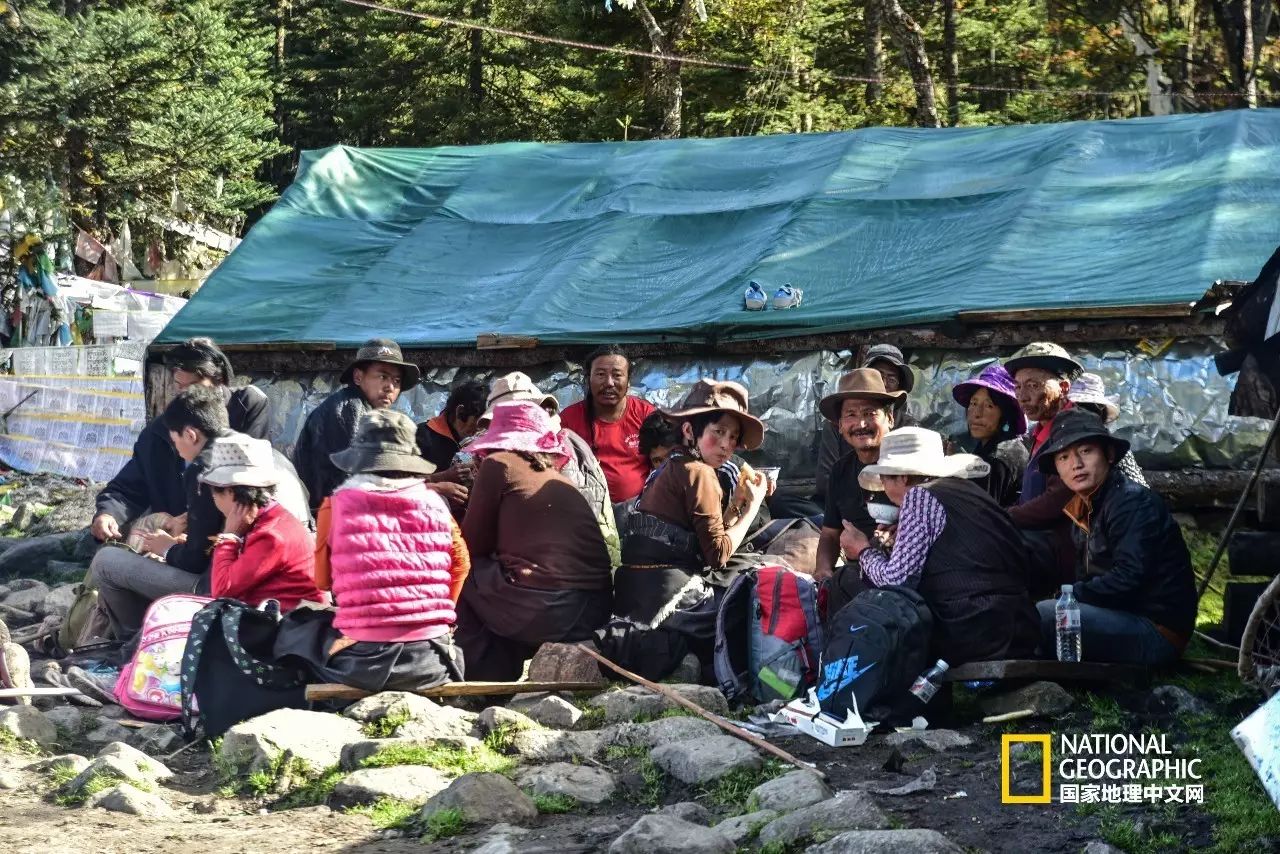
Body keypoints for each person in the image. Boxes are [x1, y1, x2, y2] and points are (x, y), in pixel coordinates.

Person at [606, 380, 768, 678]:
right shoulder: (700, 473)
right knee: (756, 586)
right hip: (666, 601)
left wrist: (737, 506)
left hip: (635, 596)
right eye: (718, 432)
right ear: (689, 430)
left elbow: (709, 539)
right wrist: (754, 507)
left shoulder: (672, 466)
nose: (726, 445)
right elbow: (717, 555)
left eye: (733, 437)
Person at [839, 428, 1040, 664]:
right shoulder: (967, 490)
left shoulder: (919, 497)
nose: (883, 487)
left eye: (884, 478)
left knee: (845, 582)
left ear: (902, 477)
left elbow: (897, 582)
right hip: (1019, 624)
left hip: (972, 630)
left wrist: (863, 550)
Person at [307, 409, 468, 690]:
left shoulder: (335, 507)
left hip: (361, 663)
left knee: (301, 632)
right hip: (433, 661)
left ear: (357, 461)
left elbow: (323, 581)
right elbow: (461, 564)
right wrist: (437, 612)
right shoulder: (436, 504)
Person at [455, 401, 612, 681]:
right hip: (593, 611)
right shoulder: (560, 479)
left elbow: (471, 546)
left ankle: (482, 674)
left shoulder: (498, 463)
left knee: (462, 569)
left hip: (549, 612)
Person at [1032, 410, 1196, 665]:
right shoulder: (1081, 508)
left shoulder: (1131, 502)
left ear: (1108, 455)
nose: (1075, 464)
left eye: (1085, 451)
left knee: (1047, 615)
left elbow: (1129, 577)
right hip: (1119, 617)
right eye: (1064, 457)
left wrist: (1072, 595)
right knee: (1032, 612)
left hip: (1155, 630)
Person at [91, 337, 271, 544]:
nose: (185, 394)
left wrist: (193, 529)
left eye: (194, 386)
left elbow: (245, 483)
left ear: (218, 380)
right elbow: (129, 485)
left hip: (230, 537)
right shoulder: (160, 431)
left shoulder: (247, 406)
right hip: (178, 538)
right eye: (179, 386)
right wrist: (107, 514)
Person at [88, 386, 230, 641]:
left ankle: (138, 645)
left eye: (176, 442)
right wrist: (107, 513)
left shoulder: (204, 470)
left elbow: (197, 560)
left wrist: (167, 548)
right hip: (249, 581)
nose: (175, 450)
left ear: (190, 434)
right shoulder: (245, 453)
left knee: (105, 562)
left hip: (219, 587)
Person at [480, 372, 620, 569]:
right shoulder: (572, 442)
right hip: (597, 571)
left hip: (556, 575)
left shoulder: (510, 462)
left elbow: (478, 542)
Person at [814, 369, 904, 614]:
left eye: (869, 413)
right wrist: (823, 571)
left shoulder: (909, 466)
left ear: (890, 418)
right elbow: (830, 534)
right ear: (840, 425)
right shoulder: (840, 471)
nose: (861, 424)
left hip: (907, 580)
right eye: (851, 415)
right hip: (858, 577)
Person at [200, 435, 326, 610]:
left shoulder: (271, 535)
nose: (213, 499)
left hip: (291, 627)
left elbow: (221, 589)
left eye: (214, 493)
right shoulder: (270, 517)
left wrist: (229, 537)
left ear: (229, 492)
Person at [293, 338, 420, 511]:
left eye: (397, 381)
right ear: (358, 377)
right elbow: (359, 480)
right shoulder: (349, 409)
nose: (390, 387)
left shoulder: (363, 410)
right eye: (383, 376)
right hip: (332, 517)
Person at [814, 344, 916, 509]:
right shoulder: (835, 427)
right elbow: (825, 482)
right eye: (876, 376)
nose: (883, 384)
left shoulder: (909, 427)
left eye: (891, 379)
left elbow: (914, 484)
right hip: (842, 503)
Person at [560, 345, 656, 506]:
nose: (609, 383)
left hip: (640, 510)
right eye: (600, 375)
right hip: (587, 511)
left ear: (629, 381)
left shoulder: (645, 414)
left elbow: (664, 465)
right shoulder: (568, 420)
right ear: (588, 380)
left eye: (617, 375)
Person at [1006, 341, 1083, 504]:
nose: (1023, 396)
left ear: (1063, 388)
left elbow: (1057, 502)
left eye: (1033, 385)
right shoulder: (1039, 432)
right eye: (1018, 387)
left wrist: (1010, 516)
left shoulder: (1075, 432)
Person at [951, 363, 1029, 507]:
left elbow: (981, 517)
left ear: (1005, 413)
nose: (977, 414)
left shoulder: (997, 459)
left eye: (989, 406)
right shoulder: (996, 445)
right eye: (973, 404)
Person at [416, 379, 488, 471]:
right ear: (460, 412)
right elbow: (404, 480)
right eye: (477, 425)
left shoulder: (464, 441)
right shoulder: (422, 437)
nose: (477, 432)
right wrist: (444, 477)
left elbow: (463, 458)